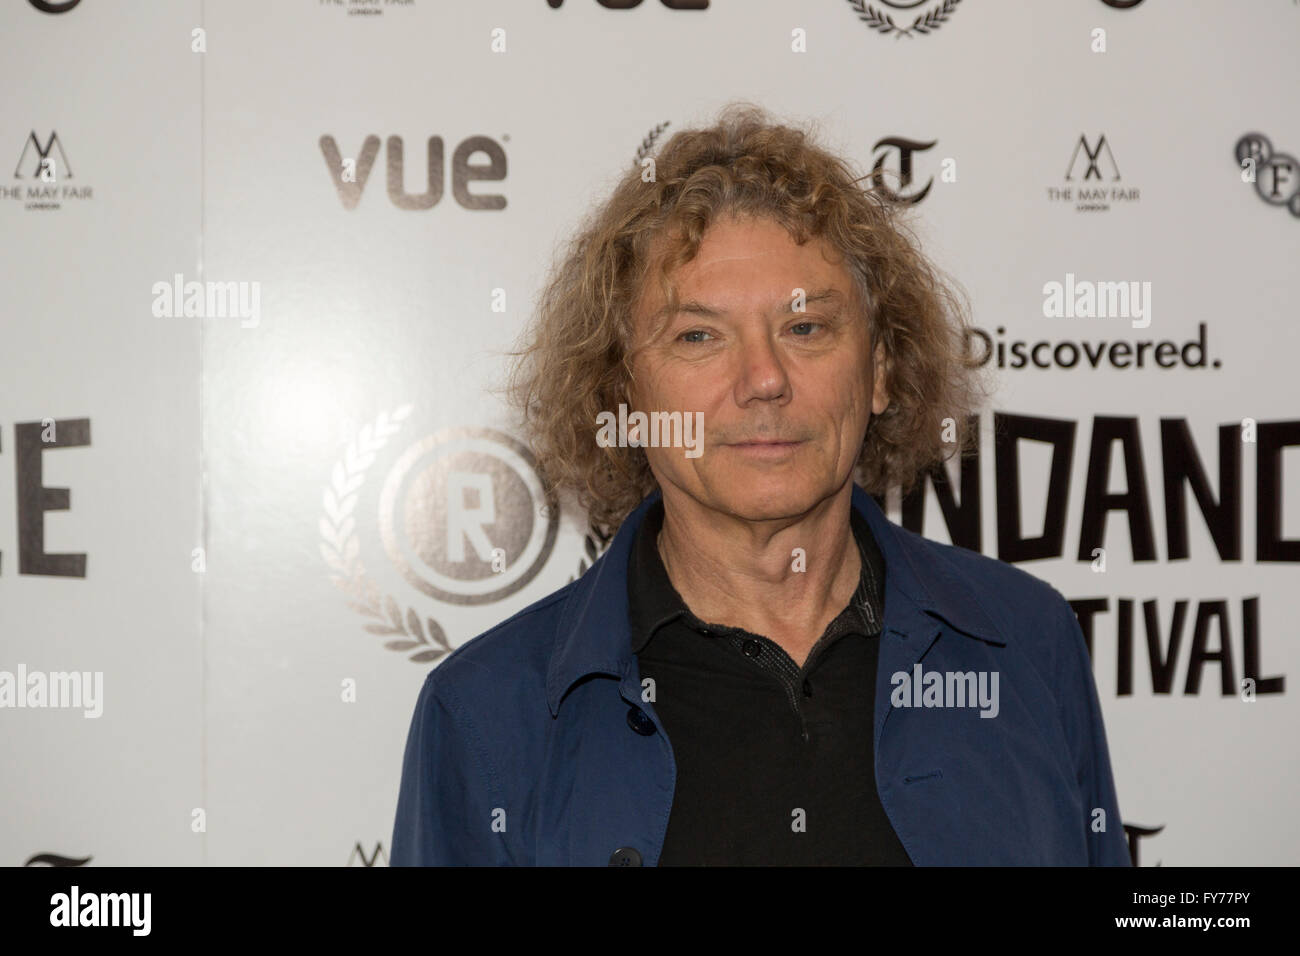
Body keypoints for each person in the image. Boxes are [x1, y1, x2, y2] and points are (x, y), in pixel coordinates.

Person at [390, 102, 1129, 866]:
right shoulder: (486, 714)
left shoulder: (1025, 641)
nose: (765, 379)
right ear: (623, 397)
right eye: (698, 336)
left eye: (806, 328)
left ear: (879, 369)